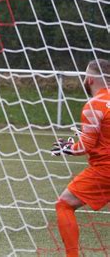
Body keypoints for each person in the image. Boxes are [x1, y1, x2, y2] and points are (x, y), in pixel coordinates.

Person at [51, 59, 110, 257]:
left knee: (64, 203)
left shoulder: (94, 105)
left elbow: (85, 146)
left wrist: (67, 148)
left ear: (90, 80)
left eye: (85, 76)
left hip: (105, 170)